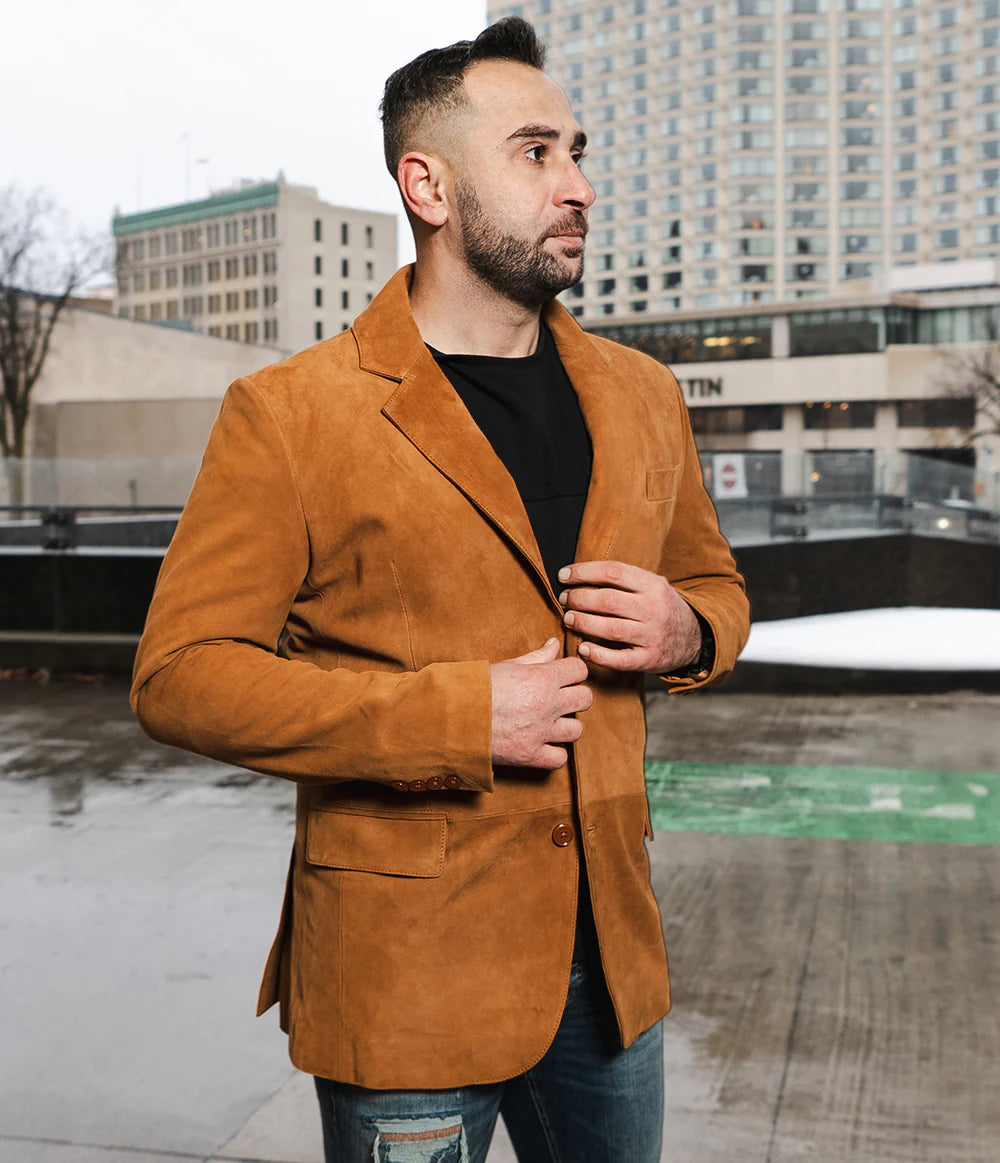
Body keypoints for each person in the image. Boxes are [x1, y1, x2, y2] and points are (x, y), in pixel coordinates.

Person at [131, 17, 749, 1163]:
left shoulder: (643, 394)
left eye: (576, 150)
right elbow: (178, 679)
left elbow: (713, 582)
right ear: (428, 183)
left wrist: (685, 626)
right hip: (404, 970)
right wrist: (458, 717)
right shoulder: (292, 413)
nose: (578, 184)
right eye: (535, 153)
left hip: (608, 961)